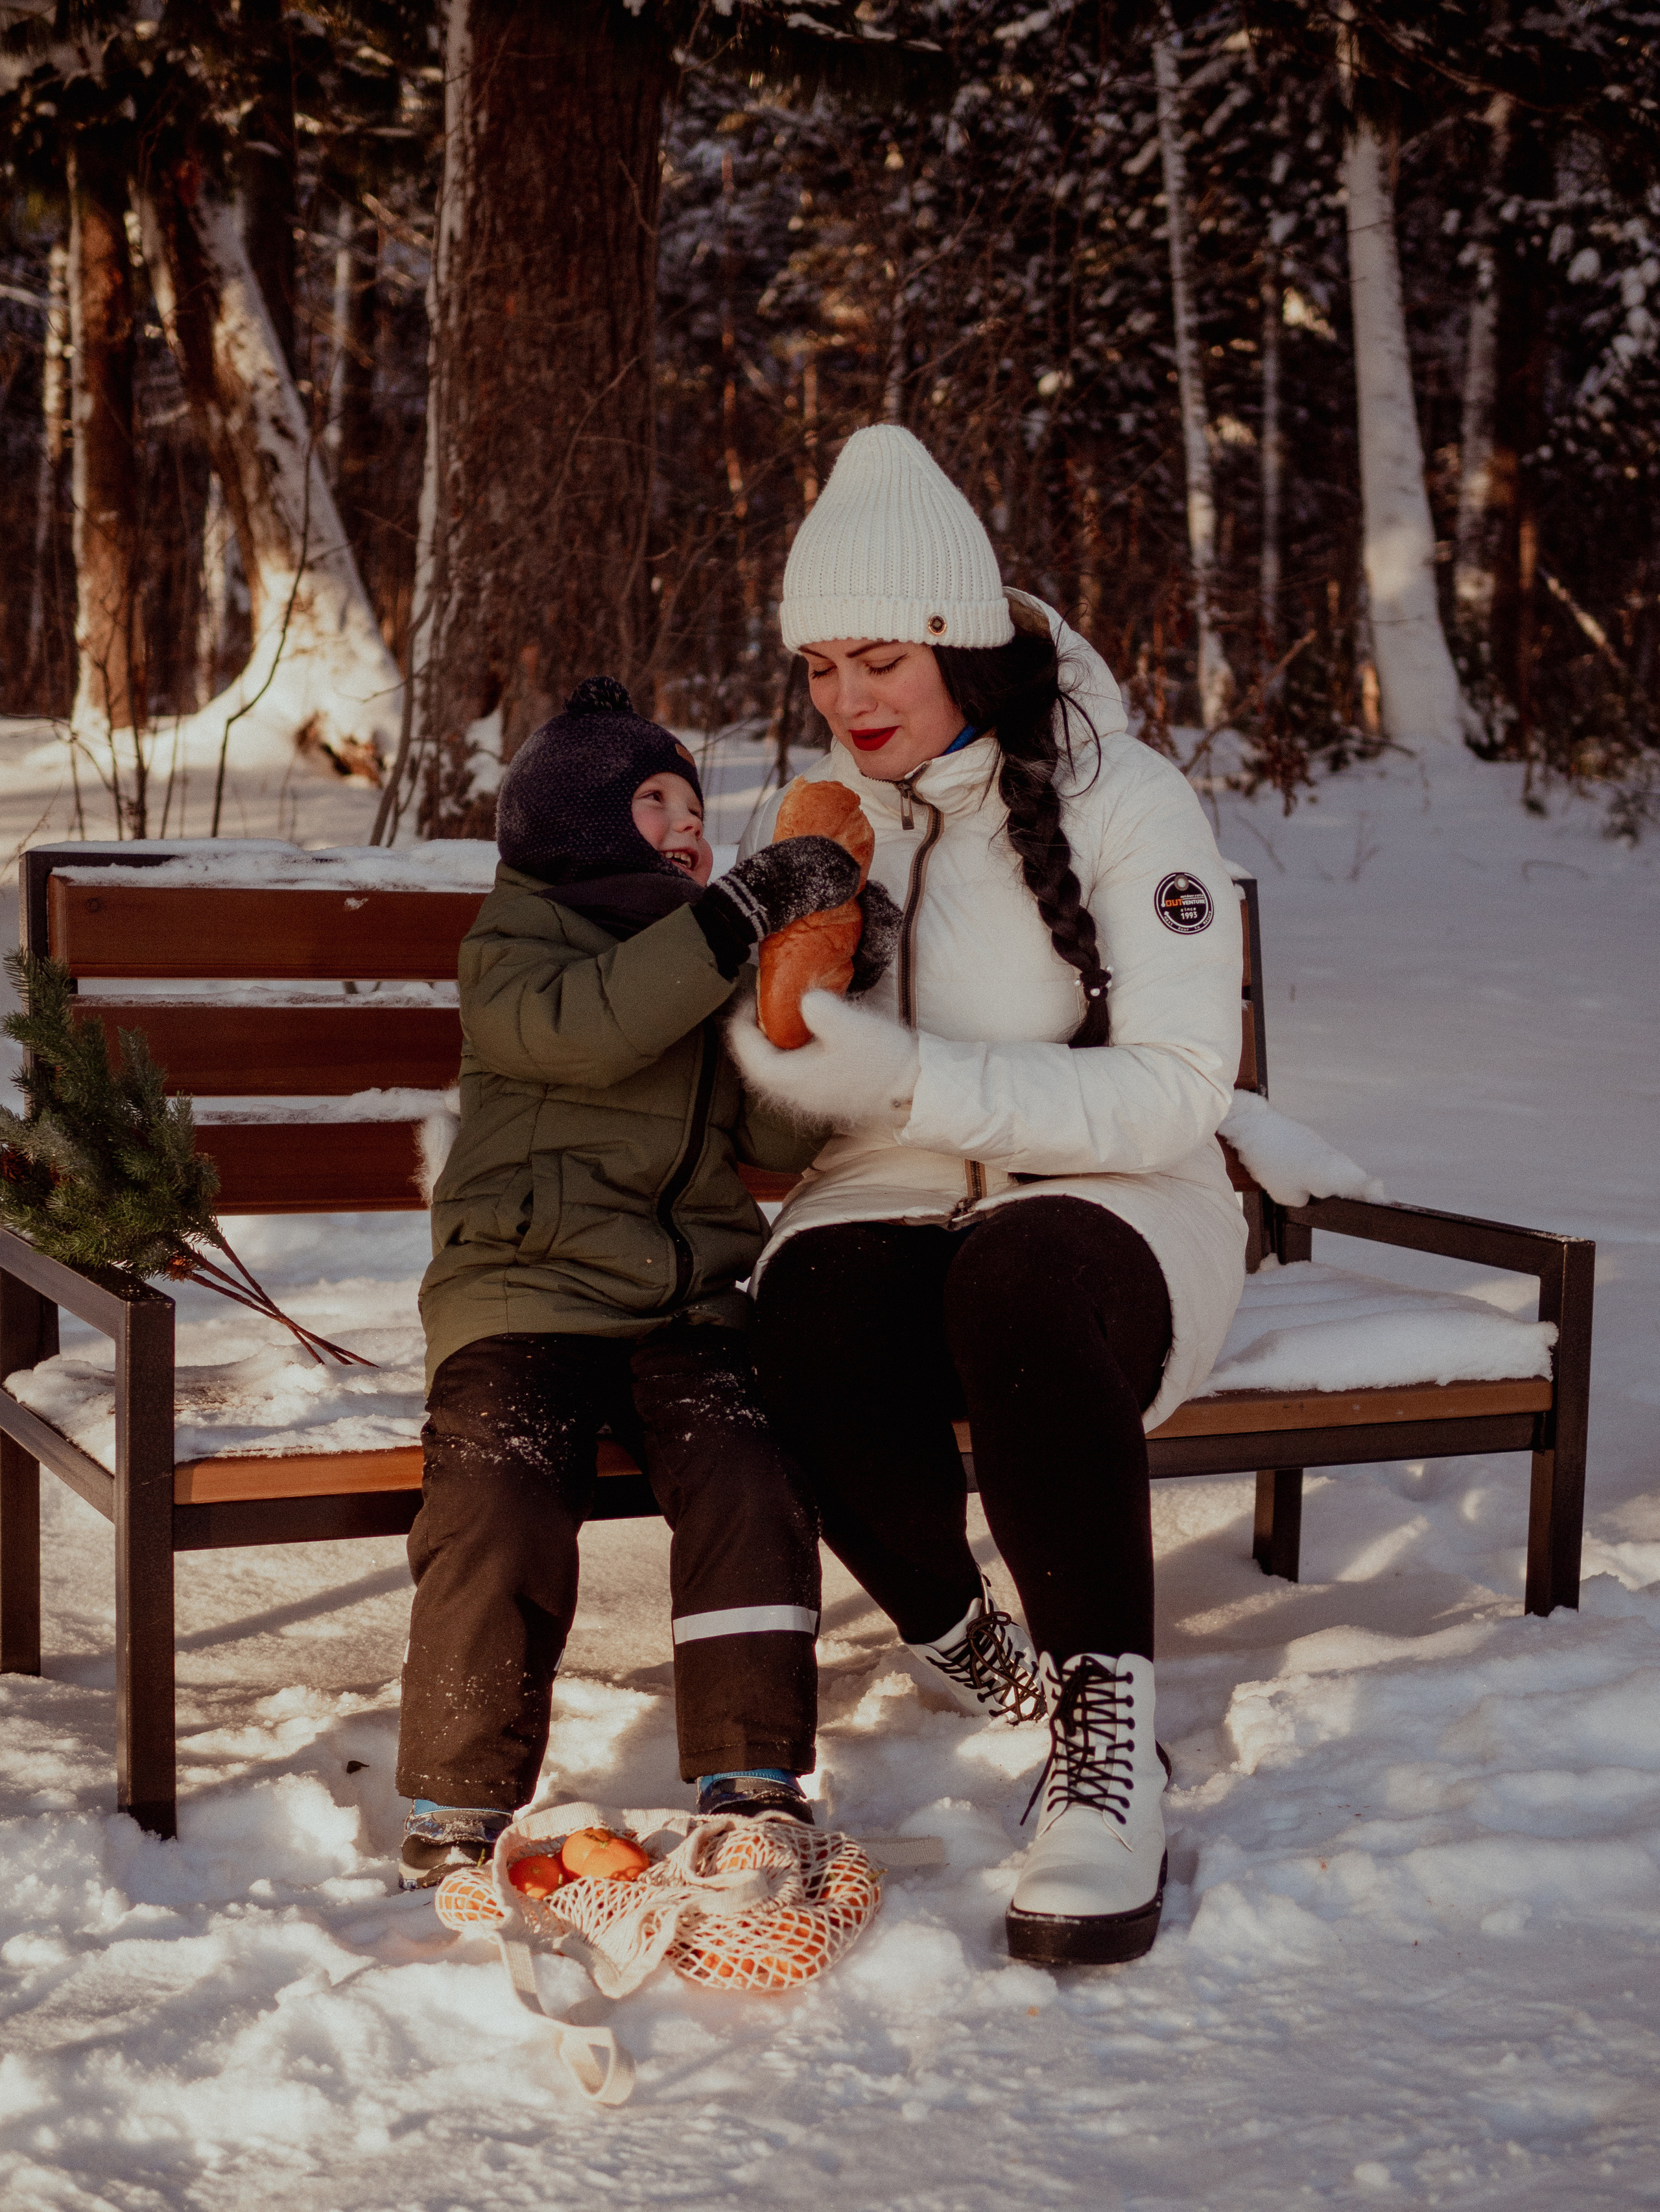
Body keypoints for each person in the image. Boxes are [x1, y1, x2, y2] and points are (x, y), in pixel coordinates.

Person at [728, 426, 1247, 1967]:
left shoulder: (1124, 798)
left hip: (1115, 1204)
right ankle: (972, 1645)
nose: (847, 699)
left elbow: (1177, 1086)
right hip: (889, 1195)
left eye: (877, 657)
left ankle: (1102, 1733)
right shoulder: (835, 810)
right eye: (820, 666)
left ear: (957, 640)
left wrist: (915, 1079)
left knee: (1008, 1274)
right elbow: (785, 1104)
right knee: (804, 1309)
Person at [395, 675, 881, 1890]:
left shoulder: (710, 958)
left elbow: (772, 1145)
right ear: (578, 828)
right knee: (499, 1490)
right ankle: (459, 1796)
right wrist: (731, 919)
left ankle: (752, 1773)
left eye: (694, 804)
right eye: (656, 803)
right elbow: (587, 1030)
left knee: (751, 1472)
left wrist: (816, 1004)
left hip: (687, 1304)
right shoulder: (514, 945)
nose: (689, 826)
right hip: (522, 1295)